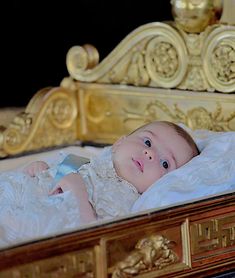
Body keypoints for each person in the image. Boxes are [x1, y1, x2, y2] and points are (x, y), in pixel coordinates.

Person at [23, 120, 199, 224]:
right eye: (147, 142)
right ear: (119, 143)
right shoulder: (83, 161)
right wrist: (39, 169)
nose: (150, 153)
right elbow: (39, 181)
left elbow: (94, 234)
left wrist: (78, 192)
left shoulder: (124, 199)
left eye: (165, 163)